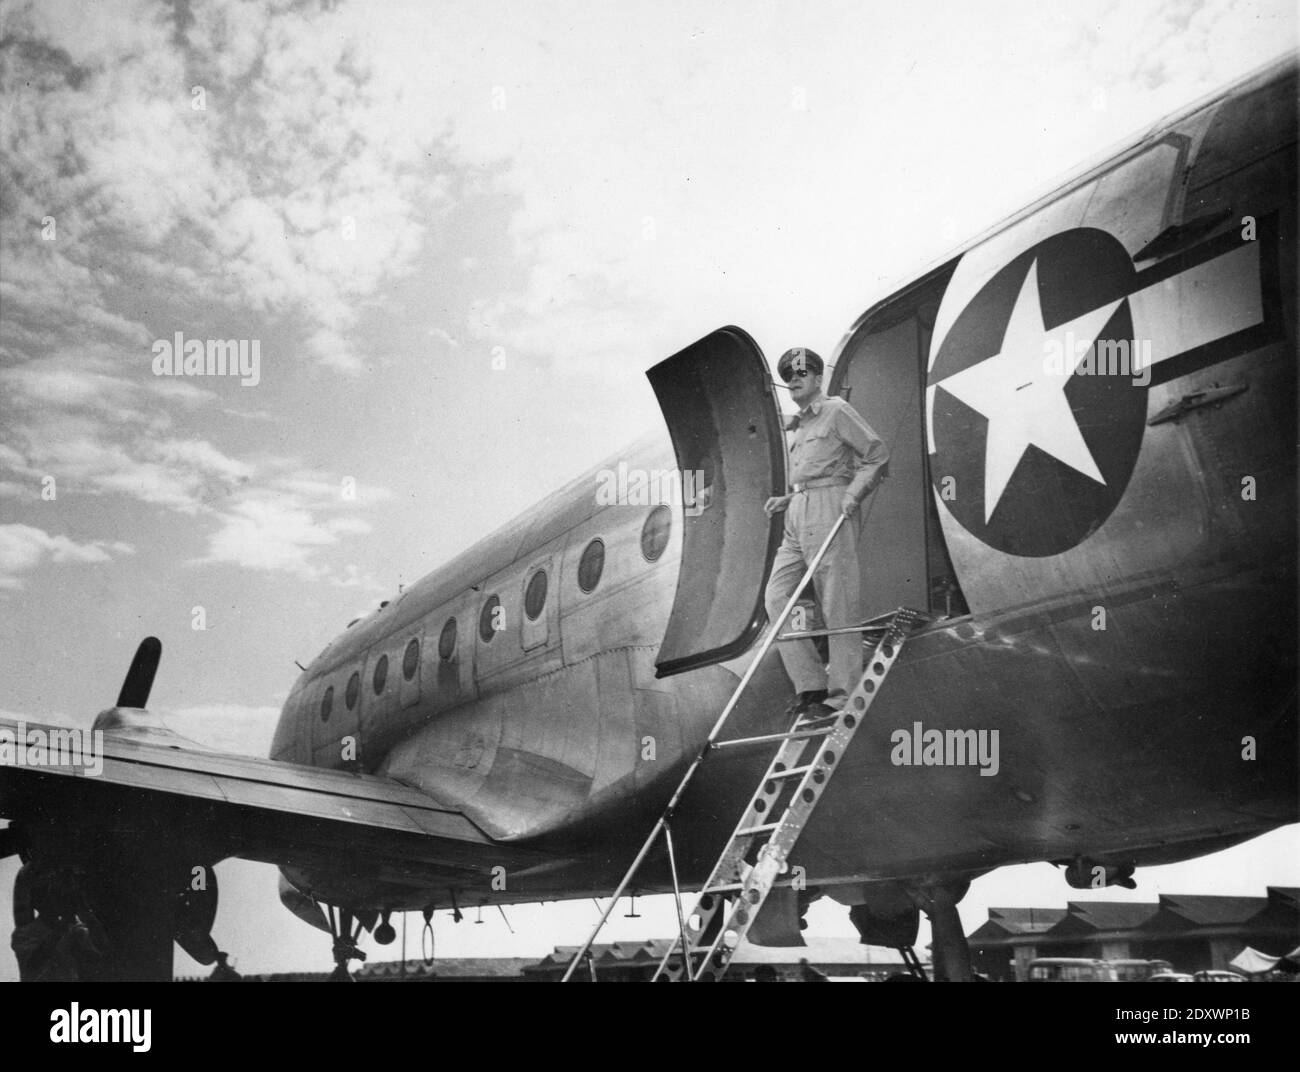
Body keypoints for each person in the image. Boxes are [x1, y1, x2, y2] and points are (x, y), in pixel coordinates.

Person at [764, 347, 888, 715]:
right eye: (789, 375)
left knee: (836, 600)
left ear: (818, 378)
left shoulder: (835, 410)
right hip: (797, 512)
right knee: (776, 596)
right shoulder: (799, 424)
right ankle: (810, 684)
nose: (795, 379)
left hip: (829, 506)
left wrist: (852, 494)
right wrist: (786, 500)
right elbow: (810, 471)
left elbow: (876, 453)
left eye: (803, 372)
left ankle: (842, 694)